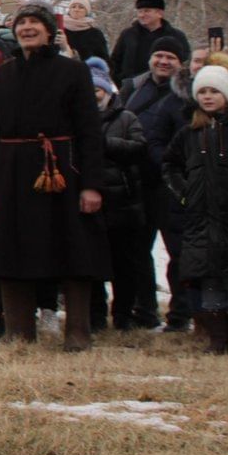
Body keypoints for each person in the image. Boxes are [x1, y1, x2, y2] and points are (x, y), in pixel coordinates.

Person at [0, 2, 107, 349]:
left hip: (62, 170)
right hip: (10, 173)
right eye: (22, 23)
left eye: (35, 22)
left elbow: (90, 132)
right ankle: (18, 334)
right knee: (10, 249)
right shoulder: (1, 75)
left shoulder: (73, 72)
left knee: (72, 249)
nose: (27, 28)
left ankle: (78, 334)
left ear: (50, 31)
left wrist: (91, 184)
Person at [163, 63, 228, 354]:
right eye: (202, 91)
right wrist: (185, 193)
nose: (207, 97)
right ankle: (217, 341)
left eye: (214, 91)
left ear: (227, 96)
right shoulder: (188, 134)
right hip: (200, 220)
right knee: (209, 282)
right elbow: (170, 166)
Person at [122, 37, 190, 331]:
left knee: (179, 250)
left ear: (180, 63)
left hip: (172, 183)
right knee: (138, 250)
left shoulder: (188, 93)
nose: (163, 61)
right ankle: (145, 310)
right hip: (138, 181)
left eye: (170, 57)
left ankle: (181, 313)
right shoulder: (133, 88)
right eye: (158, 55)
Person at [88, 60, 154, 333]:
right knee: (93, 262)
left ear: (108, 91)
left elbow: (140, 148)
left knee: (124, 263)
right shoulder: (80, 119)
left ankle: (124, 313)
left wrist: (107, 144)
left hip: (124, 201)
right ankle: (96, 314)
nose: (94, 95)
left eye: (98, 90)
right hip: (92, 200)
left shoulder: (126, 117)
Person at [111, 0, 192, 84]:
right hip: (131, 88)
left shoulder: (176, 35)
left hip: (166, 88)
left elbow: (185, 62)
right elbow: (115, 61)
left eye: (147, 11)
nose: (142, 15)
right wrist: (120, 81)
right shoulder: (128, 34)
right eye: (139, 11)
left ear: (160, 13)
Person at [59, 0, 110, 65]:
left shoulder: (95, 33)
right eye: (73, 7)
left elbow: (103, 59)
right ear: (69, 10)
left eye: (81, 7)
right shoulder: (60, 29)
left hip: (86, 71)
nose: (76, 10)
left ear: (86, 11)